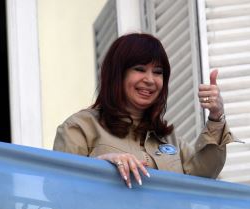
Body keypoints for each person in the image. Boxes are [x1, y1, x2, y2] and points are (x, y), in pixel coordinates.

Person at [53, 33, 233, 188]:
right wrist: (101, 166)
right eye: (139, 69)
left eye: (157, 72)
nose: (150, 80)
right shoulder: (80, 127)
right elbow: (56, 188)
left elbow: (203, 176)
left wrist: (216, 116)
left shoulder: (168, 140)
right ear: (117, 74)